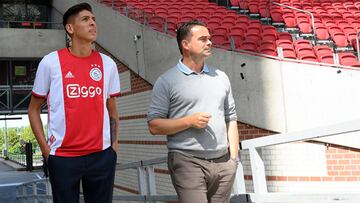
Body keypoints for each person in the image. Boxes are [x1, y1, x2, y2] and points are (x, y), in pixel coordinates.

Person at [28, 3, 120, 203]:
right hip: (63, 158)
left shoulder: (108, 64)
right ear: (70, 28)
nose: (93, 23)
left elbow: (111, 108)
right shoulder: (50, 62)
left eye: (94, 19)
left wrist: (113, 147)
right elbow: (33, 110)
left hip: (102, 156)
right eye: (86, 19)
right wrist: (46, 151)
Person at [147, 20, 239, 203]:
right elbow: (154, 125)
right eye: (203, 39)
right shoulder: (166, 81)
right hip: (186, 161)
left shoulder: (221, 77)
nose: (210, 42)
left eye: (210, 38)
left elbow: (232, 118)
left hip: (223, 163)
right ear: (186, 44)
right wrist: (188, 121)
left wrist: (233, 160)